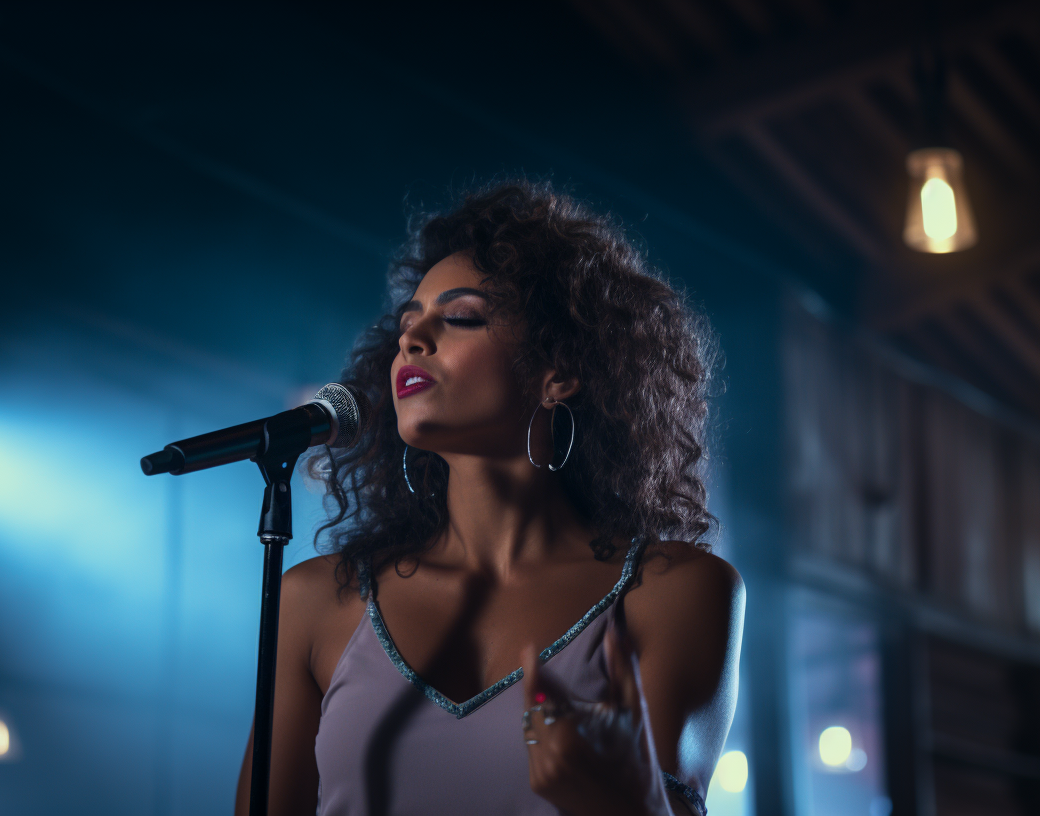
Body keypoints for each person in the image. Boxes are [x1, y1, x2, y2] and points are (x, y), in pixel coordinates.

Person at [234, 180, 744, 816]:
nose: (412, 342)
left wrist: (626, 801)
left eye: (461, 317)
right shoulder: (315, 603)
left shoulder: (675, 592)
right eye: (407, 326)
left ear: (558, 371)